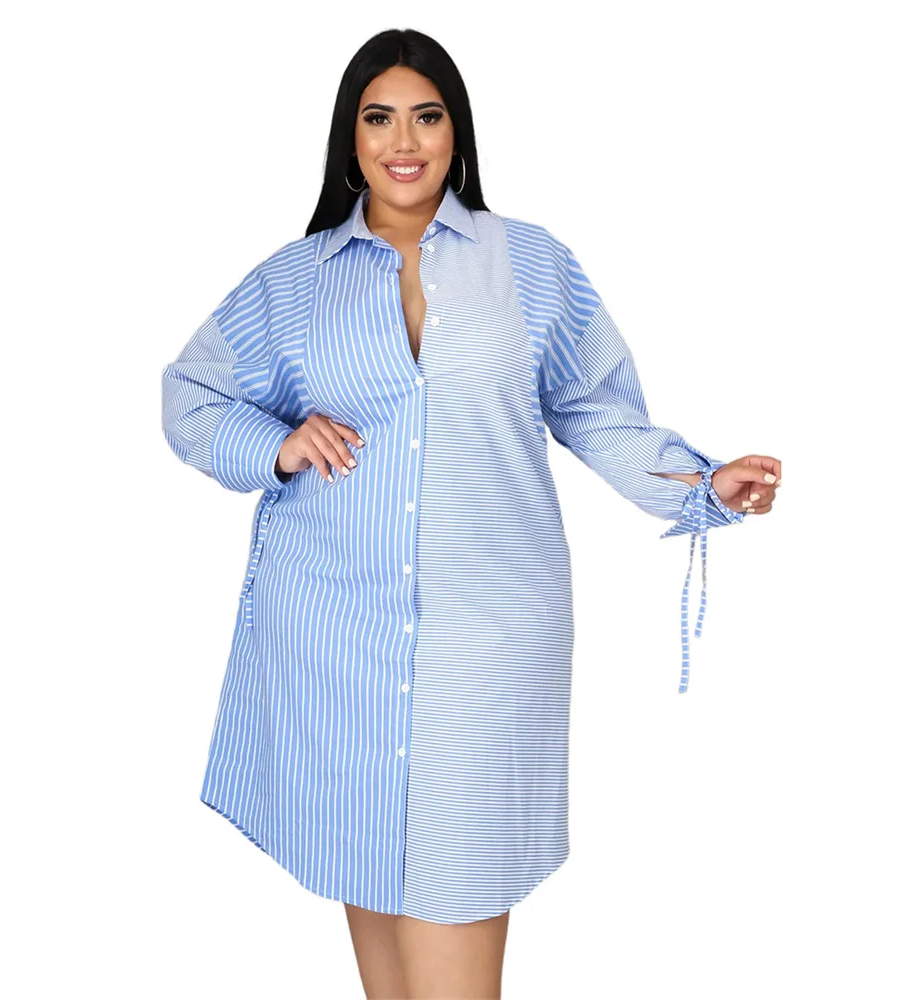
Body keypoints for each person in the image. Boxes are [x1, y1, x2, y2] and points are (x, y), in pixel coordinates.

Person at [161, 27, 781, 1000]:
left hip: (488, 639)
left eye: (427, 115)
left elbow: (593, 407)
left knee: (457, 914)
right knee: (377, 914)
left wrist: (700, 483)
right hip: (331, 639)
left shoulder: (529, 264)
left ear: (457, 132)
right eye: (379, 118)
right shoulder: (293, 281)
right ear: (350, 135)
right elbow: (190, 395)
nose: (403, 140)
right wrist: (275, 444)